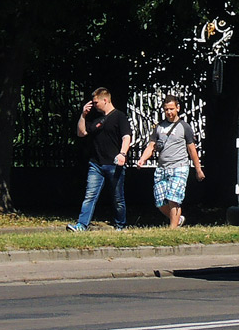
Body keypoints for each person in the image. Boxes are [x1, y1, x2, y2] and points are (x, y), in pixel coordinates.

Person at [136, 95, 205, 228]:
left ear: (177, 108)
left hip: (179, 166)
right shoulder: (159, 127)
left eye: (172, 109)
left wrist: (198, 169)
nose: (169, 112)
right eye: (166, 109)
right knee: (160, 202)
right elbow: (151, 146)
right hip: (162, 168)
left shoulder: (184, 127)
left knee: (174, 199)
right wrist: (142, 159)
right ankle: (178, 220)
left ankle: (172, 230)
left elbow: (192, 149)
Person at [68, 87, 132, 232]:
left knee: (118, 199)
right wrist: (83, 115)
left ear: (105, 100)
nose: (94, 105)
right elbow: (81, 132)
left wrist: (122, 153)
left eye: (96, 102)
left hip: (114, 165)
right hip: (96, 164)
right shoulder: (97, 119)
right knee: (89, 195)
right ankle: (82, 225)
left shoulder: (119, 117)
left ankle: (120, 225)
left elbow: (126, 137)